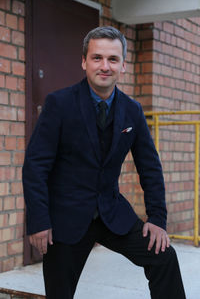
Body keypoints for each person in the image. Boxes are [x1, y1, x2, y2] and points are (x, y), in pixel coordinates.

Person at [22, 26, 186, 299]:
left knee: (164, 256)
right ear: (84, 62)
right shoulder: (59, 104)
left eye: (113, 59)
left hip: (112, 213)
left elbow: (150, 167)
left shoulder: (132, 110)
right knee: (59, 293)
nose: (105, 66)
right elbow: (35, 166)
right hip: (65, 218)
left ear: (123, 65)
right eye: (97, 58)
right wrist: (39, 220)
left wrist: (157, 218)